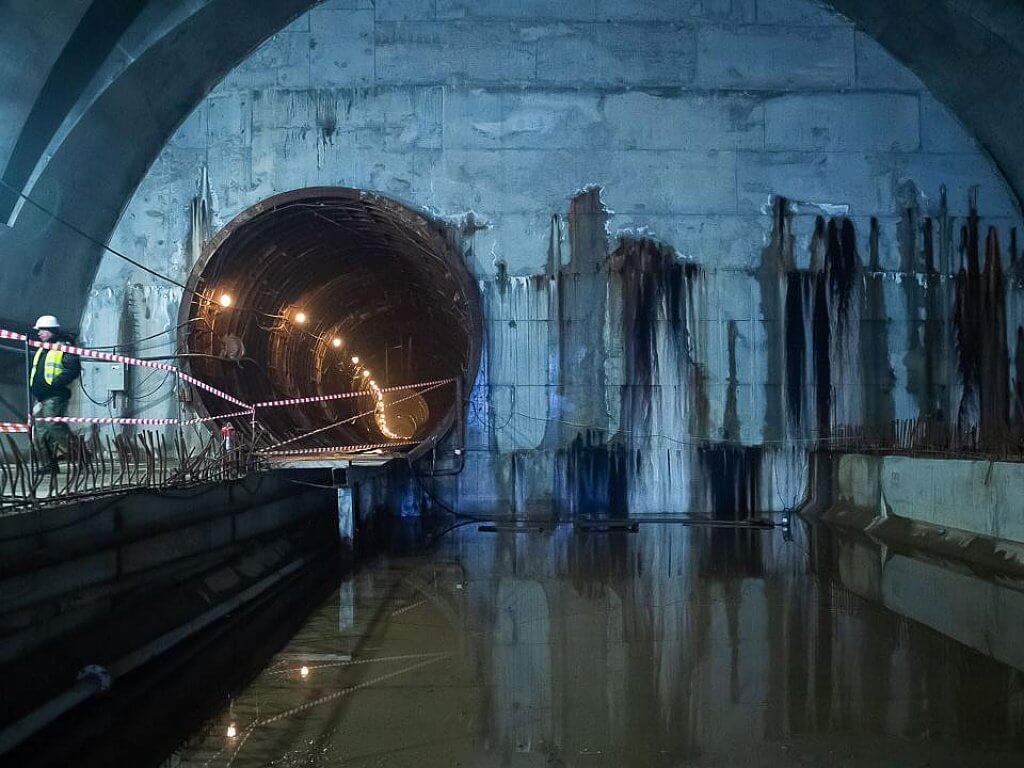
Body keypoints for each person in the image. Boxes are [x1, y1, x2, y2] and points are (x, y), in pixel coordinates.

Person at [29, 315, 81, 467]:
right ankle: (48, 464)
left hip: (55, 395)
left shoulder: (64, 346)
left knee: (53, 425)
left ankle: (80, 455)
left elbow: (72, 369)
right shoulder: (43, 348)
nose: (39, 333)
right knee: (40, 431)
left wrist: (54, 384)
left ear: (51, 330)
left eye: (42, 330)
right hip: (40, 396)